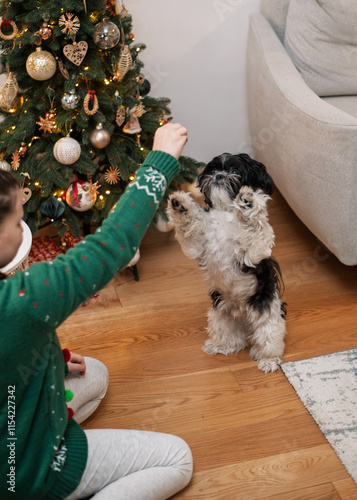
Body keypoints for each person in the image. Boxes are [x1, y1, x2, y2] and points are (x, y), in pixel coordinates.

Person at [0, 123, 193, 500]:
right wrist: (162, 160)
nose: (23, 227)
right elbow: (112, 246)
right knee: (177, 458)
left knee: (96, 375)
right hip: (22, 473)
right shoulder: (20, 301)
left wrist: (50, 360)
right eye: (15, 220)